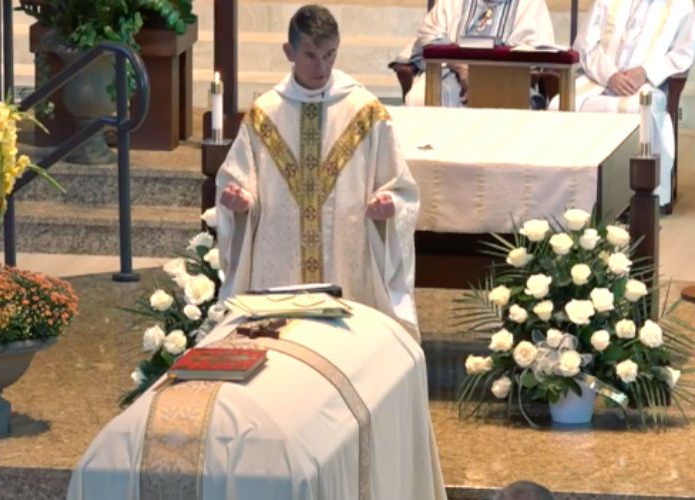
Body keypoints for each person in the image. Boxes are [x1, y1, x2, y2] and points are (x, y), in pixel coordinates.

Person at [216, 4, 421, 340]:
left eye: (330, 55)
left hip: (347, 258)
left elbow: (401, 188)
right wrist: (240, 201)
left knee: (347, 346)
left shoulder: (365, 111)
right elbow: (239, 181)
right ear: (289, 52)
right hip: (280, 264)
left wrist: (389, 204)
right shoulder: (265, 113)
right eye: (310, 55)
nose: (321, 67)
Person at [551, 0, 695, 209]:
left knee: (641, 112)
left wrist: (645, 72)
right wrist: (609, 76)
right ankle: (566, 192)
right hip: (597, 79)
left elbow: (684, 52)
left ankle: (639, 196)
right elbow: (584, 44)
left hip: (645, 85)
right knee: (559, 105)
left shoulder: (681, 5)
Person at [391, 0, 555, 106]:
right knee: (419, 98)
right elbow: (428, 36)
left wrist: (482, 78)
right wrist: (461, 67)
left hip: (507, 77)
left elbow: (536, 50)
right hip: (450, 70)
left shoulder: (530, 4)